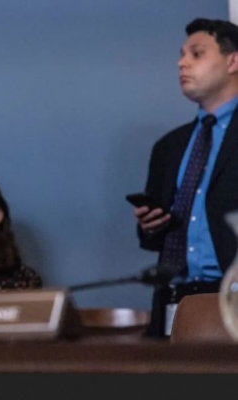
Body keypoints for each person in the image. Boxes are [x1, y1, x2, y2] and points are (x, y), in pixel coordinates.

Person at [133, 18, 238, 338]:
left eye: (196, 53)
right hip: (173, 297)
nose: (182, 63)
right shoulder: (170, 146)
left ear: (233, 61)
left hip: (230, 298)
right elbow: (153, 240)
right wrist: (150, 225)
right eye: (181, 54)